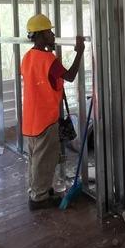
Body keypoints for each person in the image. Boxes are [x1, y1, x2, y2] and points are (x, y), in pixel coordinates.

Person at [21, 14, 84, 210]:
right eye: (49, 32)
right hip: (46, 118)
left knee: (35, 158)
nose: (53, 35)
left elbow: (42, 79)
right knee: (45, 159)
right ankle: (39, 199)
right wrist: (80, 52)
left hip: (30, 118)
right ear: (40, 35)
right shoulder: (48, 59)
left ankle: (37, 190)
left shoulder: (27, 57)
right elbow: (70, 76)